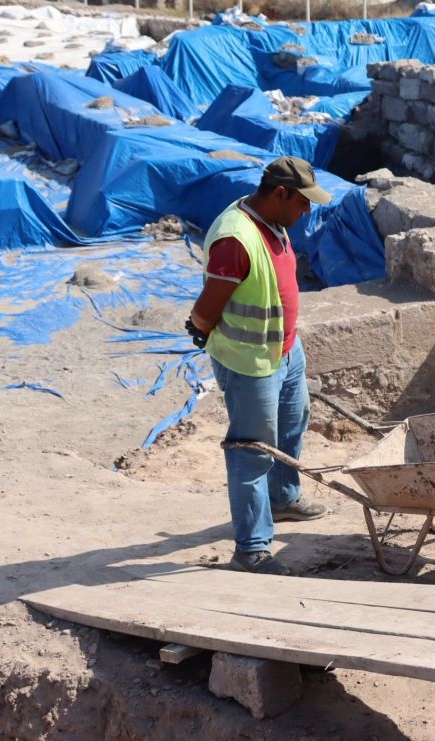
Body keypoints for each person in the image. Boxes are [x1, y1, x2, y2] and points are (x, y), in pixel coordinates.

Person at [186, 157, 333, 576]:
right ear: (280, 194)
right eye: (303, 203)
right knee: (251, 450)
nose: (307, 212)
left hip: (285, 351)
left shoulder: (273, 220)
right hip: (251, 363)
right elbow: (207, 309)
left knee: (292, 424)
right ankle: (251, 549)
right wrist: (199, 329)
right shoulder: (235, 240)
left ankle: (284, 499)